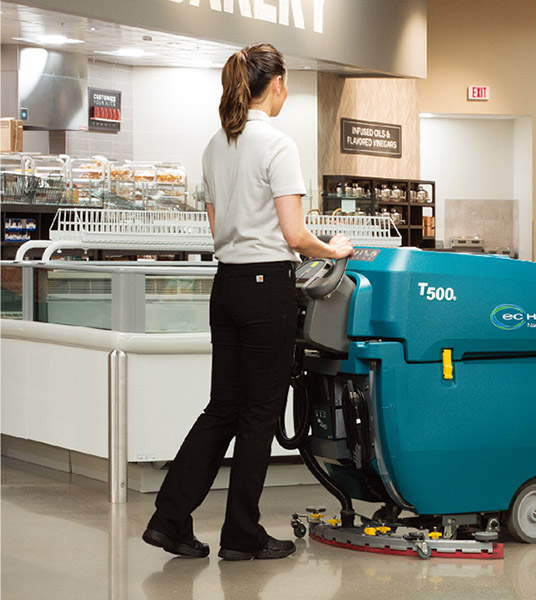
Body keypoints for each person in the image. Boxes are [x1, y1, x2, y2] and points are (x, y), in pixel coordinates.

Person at [143, 43, 353, 561]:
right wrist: (334, 250)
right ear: (276, 84)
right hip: (266, 289)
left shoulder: (216, 145)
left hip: (228, 285)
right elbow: (295, 235)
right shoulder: (278, 145)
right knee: (259, 415)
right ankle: (242, 534)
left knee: (222, 408)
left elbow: (217, 227)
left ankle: (169, 520)